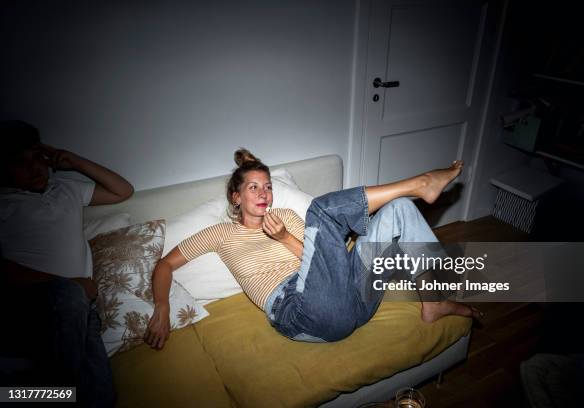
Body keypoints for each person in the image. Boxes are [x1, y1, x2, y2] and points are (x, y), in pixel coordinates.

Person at [145, 148, 481, 348]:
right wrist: (161, 308)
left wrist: (286, 238)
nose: (264, 193)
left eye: (268, 186)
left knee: (401, 211)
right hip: (301, 312)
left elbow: (323, 257)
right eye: (253, 187)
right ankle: (418, 183)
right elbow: (164, 265)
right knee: (322, 211)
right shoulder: (219, 234)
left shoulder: (286, 217)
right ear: (236, 197)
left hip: (348, 299)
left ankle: (433, 303)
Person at [0, 120, 134, 407]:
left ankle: (17, 392)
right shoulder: (4, 203)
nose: (35, 167)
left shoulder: (66, 188)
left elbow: (123, 190)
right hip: (28, 305)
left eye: (37, 157)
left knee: (102, 398)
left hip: (80, 311)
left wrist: (72, 160)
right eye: (20, 162)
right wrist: (69, 286)